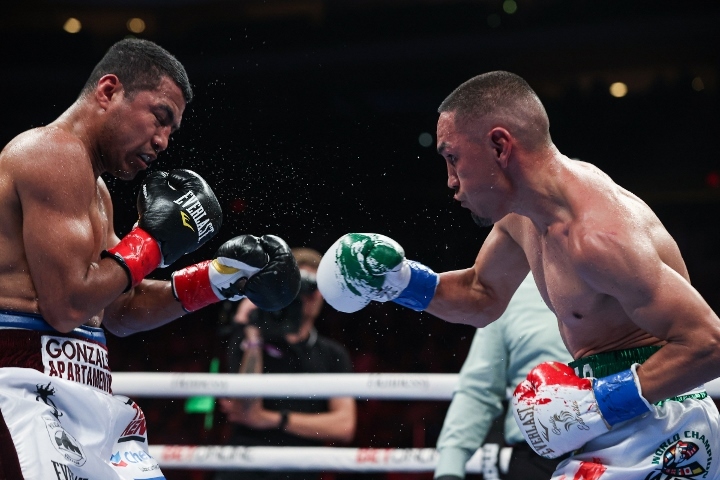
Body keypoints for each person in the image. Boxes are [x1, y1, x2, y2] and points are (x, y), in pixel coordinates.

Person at [316, 71, 720, 479]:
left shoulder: (596, 235)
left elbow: (709, 343)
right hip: (611, 420)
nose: (451, 181)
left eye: (452, 158)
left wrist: (601, 403)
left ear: (498, 145)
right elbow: (481, 294)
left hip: (666, 428)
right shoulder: (522, 217)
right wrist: (400, 282)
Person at [0, 38, 300, 480]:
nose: (161, 141)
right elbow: (66, 306)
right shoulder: (50, 152)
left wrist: (218, 278)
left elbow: (117, 308)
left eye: (170, 132)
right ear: (108, 91)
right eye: (159, 118)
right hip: (21, 387)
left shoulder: (96, 189)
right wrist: (151, 243)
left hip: (81, 385)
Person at [214, 247, 356, 480]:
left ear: (323, 293)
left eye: (314, 287)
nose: (306, 296)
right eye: (299, 287)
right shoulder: (250, 337)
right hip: (245, 466)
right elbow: (247, 410)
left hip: (300, 469)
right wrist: (253, 336)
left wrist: (272, 419)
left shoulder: (333, 354)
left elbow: (344, 426)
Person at [434, 273, 572, 480]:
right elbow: (479, 387)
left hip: (626, 451)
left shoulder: (623, 273)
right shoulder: (509, 290)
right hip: (536, 460)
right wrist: (449, 469)